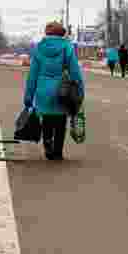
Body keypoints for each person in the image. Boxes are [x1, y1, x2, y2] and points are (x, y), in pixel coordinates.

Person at [24, 21, 85, 161]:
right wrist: (80, 92)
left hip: (43, 90)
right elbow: (75, 72)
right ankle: (58, 151)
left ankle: (47, 147)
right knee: (60, 121)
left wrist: (28, 96)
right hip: (62, 91)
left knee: (47, 120)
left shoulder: (39, 48)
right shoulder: (67, 47)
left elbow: (32, 75)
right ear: (61, 33)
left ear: (47, 33)